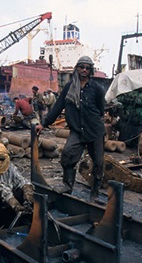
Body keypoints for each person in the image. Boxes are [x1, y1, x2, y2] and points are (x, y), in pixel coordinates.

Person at [35, 56, 106, 202]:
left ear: (91, 70)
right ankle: (68, 185)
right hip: (77, 131)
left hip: (94, 131)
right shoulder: (69, 87)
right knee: (67, 155)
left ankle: (95, 192)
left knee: (98, 162)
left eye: (87, 67)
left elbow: (100, 110)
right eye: (81, 67)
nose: (84, 70)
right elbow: (57, 107)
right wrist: (44, 123)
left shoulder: (97, 89)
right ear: (77, 68)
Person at [0, 143, 36, 230]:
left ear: (6, 158)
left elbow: (21, 180)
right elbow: (1, 189)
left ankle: (13, 223)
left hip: (4, 209)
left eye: (0, 159)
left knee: (20, 190)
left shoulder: (10, 167)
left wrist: (28, 191)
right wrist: (15, 205)